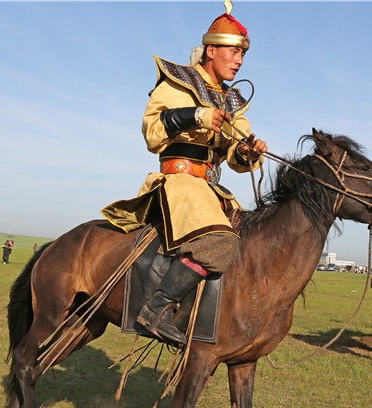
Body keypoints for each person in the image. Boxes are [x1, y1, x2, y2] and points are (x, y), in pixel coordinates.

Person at [102, 4, 268, 345]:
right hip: (178, 183)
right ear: (211, 50)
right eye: (234, 52)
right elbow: (152, 133)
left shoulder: (234, 101)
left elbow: (235, 156)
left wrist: (248, 152)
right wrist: (196, 115)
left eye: (242, 54)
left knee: (250, 243)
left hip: (212, 189)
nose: (239, 60)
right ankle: (157, 310)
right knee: (220, 243)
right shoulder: (177, 82)